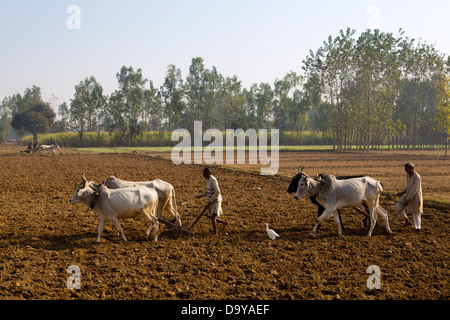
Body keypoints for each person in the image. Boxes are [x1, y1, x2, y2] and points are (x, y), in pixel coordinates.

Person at [197, 167, 227, 235]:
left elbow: (217, 191)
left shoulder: (213, 180)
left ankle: (215, 233)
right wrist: (201, 195)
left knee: (213, 217)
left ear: (208, 174)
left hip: (216, 200)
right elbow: (208, 190)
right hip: (212, 200)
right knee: (208, 215)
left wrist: (211, 200)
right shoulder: (207, 179)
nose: (203, 175)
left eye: (204, 173)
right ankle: (222, 222)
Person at [395, 163, 423, 232]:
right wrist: (402, 192)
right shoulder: (407, 175)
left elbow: (414, 189)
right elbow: (408, 186)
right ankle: (406, 220)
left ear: (412, 169)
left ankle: (418, 228)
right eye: (405, 168)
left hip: (416, 196)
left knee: (416, 212)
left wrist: (408, 199)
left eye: (406, 168)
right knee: (398, 206)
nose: (405, 170)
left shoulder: (417, 176)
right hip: (408, 195)